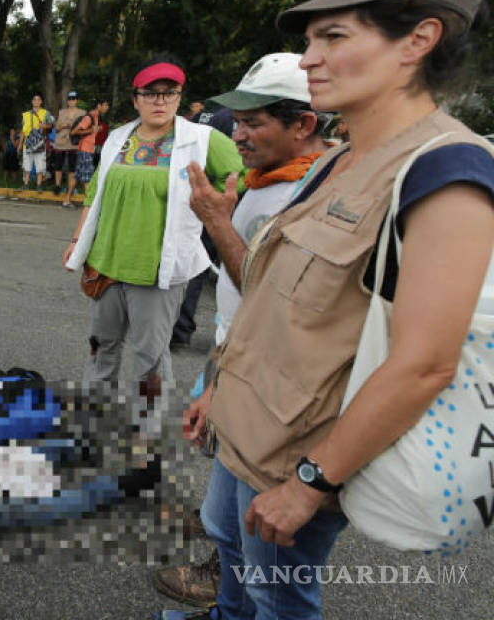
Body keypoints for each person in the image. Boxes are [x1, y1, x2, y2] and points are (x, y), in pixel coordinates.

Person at [180, 0, 494, 618]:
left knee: (279, 599)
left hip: (298, 454)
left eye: (333, 36)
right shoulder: (335, 160)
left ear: (419, 40)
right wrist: (217, 385)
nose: (308, 58)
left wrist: (309, 484)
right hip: (244, 425)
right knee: (231, 558)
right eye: (310, 39)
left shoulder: (448, 171)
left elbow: (424, 365)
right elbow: (273, 302)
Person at [151, 52, 330, 611]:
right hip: (238, 373)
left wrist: (218, 224)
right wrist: (216, 384)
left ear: (304, 124)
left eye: (254, 122)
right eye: (237, 119)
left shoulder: (315, 194)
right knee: (225, 529)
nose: (237, 132)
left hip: (283, 408)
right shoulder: (268, 179)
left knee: (276, 578)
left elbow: (272, 297)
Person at [63, 56, 243, 413]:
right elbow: (95, 192)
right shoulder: (118, 138)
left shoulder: (202, 139)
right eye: (151, 94)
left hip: (157, 269)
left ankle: (147, 435)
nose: (160, 101)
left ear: (179, 97)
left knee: (150, 358)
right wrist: (76, 242)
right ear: (136, 99)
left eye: (169, 93)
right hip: (106, 264)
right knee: (102, 348)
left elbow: (241, 176)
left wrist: (216, 210)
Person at [66, 96, 109, 209]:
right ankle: (91, 206)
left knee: (77, 176)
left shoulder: (96, 117)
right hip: (86, 150)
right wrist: (92, 130)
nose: (107, 107)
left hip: (85, 150)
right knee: (88, 177)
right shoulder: (90, 117)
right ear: (99, 106)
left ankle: (66, 201)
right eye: (105, 105)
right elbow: (74, 131)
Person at [18, 94, 53, 191]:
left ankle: (39, 185)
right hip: (28, 143)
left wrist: (44, 126)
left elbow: (51, 125)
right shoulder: (25, 115)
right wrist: (20, 144)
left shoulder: (46, 113)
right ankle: (26, 184)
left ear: (41, 102)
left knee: (40, 165)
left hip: (40, 143)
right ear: (32, 102)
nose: (36, 101)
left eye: (38, 100)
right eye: (34, 99)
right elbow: (23, 131)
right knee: (26, 165)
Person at [53, 90, 84, 198]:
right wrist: (64, 125)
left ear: (77, 100)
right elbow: (56, 128)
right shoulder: (62, 112)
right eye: (70, 99)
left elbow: (85, 127)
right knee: (58, 165)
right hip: (61, 142)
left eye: (74, 99)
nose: (72, 101)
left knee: (72, 167)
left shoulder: (82, 113)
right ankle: (57, 185)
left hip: (74, 143)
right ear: (67, 101)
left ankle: (70, 188)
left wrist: (75, 127)